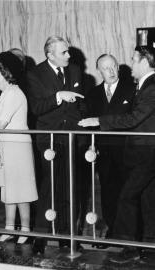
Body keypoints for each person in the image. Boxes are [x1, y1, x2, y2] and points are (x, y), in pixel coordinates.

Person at [78, 46, 155, 263]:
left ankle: (129, 247)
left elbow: (133, 118)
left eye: (133, 60)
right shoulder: (146, 85)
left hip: (145, 152)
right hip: (142, 152)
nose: (129, 64)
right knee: (148, 200)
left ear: (144, 62)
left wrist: (99, 121)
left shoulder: (150, 86)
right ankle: (148, 247)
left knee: (127, 197)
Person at [26, 35, 85, 254]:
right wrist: (59, 95)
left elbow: (81, 105)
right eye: (64, 52)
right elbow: (37, 108)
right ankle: (40, 237)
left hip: (71, 137)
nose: (69, 55)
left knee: (70, 189)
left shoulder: (76, 71)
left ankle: (66, 237)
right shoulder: (35, 75)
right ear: (50, 55)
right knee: (50, 187)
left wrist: (84, 133)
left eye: (68, 51)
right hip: (49, 139)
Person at [85, 54, 135, 244]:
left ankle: (129, 235)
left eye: (114, 66)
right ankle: (112, 231)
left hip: (126, 152)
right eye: (106, 68)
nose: (112, 71)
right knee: (107, 193)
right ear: (99, 70)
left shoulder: (131, 89)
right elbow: (90, 124)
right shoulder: (94, 94)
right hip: (103, 153)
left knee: (127, 194)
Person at [0, 51, 38, 244]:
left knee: (21, 189)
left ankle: (25, 230)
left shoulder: (14, 93)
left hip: (18, 147)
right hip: (8, 146)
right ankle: (9, 228)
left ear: (5, 73)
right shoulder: (5, 94)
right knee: (9, 188)